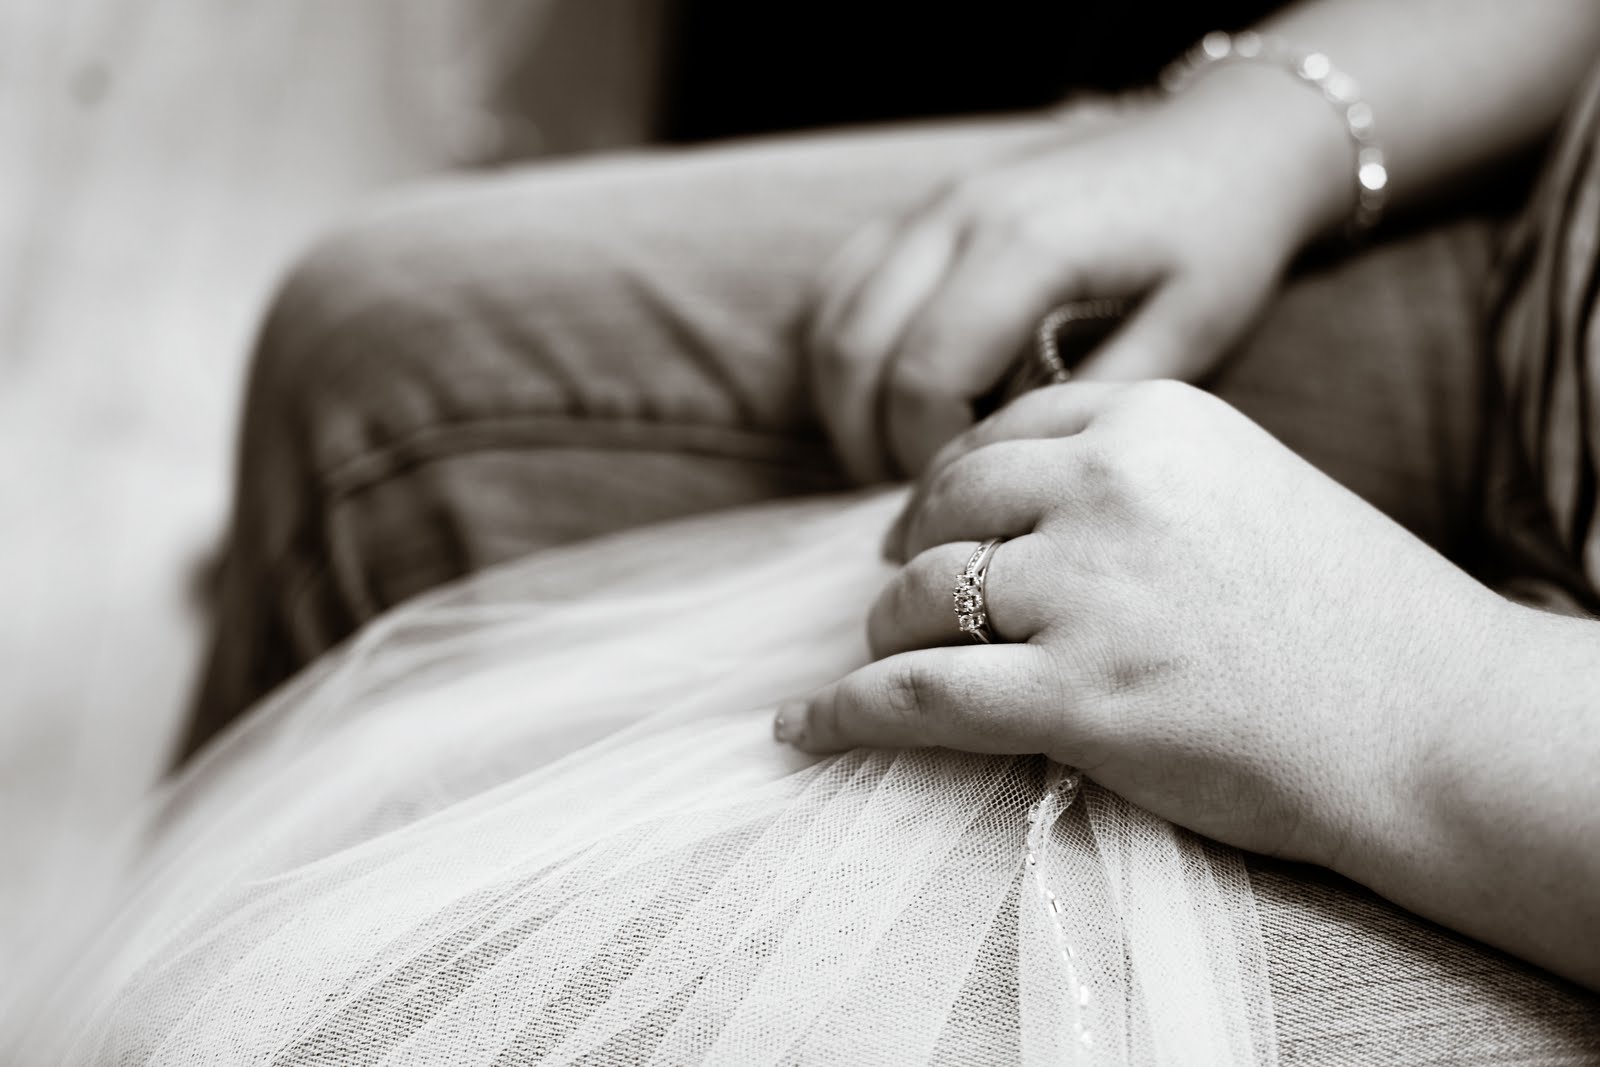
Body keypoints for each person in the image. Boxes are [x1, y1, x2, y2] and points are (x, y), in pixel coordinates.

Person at [17, 0, 1600, 1061]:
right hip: (1534, 315)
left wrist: (1420, 694)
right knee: (379, 358)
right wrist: (1280, 117)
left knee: (381, 1023)